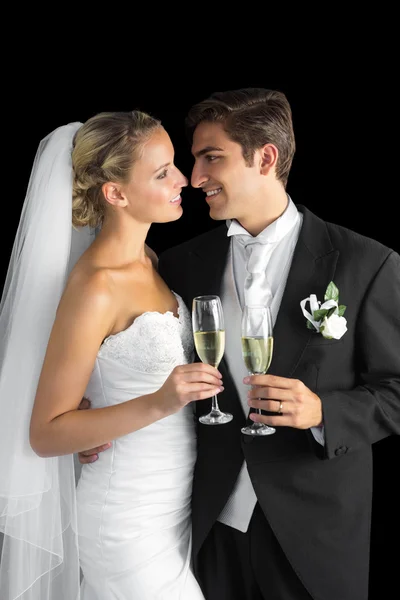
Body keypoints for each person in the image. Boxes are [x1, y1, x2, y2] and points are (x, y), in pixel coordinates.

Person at [79, 87, 400, 600]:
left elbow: (395, 391)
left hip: (313, 536)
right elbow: (121, 347)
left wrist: (323, 411)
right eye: (194, 159)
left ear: (266, 158)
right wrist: (88, 412)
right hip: (204, 525)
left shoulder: (366, 263)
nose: (196, 176)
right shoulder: (179, 264)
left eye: (212, 158)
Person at [0, 110, 224, 599]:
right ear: (116, 193)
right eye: (162, 172)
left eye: (174, 166)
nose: (183, 180)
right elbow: (46, 432)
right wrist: (160, 403)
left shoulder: (150, 261)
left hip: (172, 511)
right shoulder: (96, 285)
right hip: (125, 520)